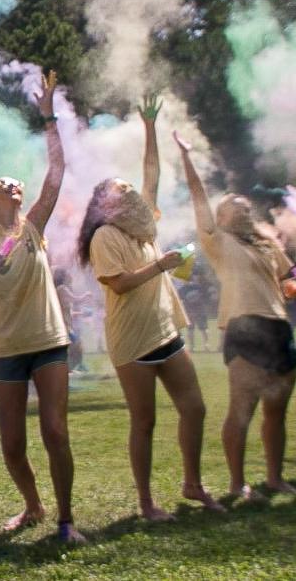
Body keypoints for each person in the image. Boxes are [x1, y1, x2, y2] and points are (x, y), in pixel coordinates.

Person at [76, 95, 222, 521]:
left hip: (166, 331)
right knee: (144, 422)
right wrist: (160, 264)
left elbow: (151, 174)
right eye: (121, 190)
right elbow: (119, 285)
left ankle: (192, 483)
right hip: (132, 342)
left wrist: (150, 128)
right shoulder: (104, 236)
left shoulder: (143, 228)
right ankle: (145, 503)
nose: (131, 192)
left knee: (194, 407)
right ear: (105, 204)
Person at [0, 71, 84, 542]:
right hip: (6, 347)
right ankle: (33, 506)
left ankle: (66, 520)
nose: (14, 187)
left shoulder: (33, 225)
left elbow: (56, 173)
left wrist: (48, 116)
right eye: (4, 185)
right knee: (12, 444)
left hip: (49, 340)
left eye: (17, 184)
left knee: (55, 431)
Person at [175, 131, 296, 501]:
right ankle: (237, 483)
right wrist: (187, 159)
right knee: (242, 409)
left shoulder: (267, 244)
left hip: (277, 328)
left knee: (277, 409)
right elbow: (198, 199)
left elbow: (288, 279)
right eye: (235, 206)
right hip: (243, 327)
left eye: (246, 206)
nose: (244, 209)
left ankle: (274, 479)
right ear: (221, 217)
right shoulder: (218, 241)